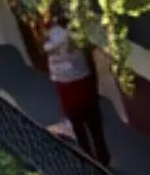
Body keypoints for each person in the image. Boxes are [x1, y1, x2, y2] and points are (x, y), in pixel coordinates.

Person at [40, 17, 107, 165]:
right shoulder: (75, 33)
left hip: (65, 86)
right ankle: (103, 157)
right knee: (94, 123)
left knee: (78, 126)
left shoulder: (49, 39)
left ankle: (87, 158)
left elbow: (45, 54)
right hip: (82, 80)